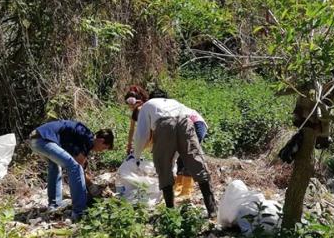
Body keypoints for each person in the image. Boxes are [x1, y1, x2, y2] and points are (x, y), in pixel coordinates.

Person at [131, 89, 217, 217]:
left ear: (150, 98)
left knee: (163, 167)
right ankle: (212, 210)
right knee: (197, 163)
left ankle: (170, 213)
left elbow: (141, 134)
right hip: (186, 122)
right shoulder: (174, 102)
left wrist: (136, 156)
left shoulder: (147, 105)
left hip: (164, 125)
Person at [124, 86, 208, 199]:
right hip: (185, 124)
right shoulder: (158, 108)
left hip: (195, 123)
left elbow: (144, 135)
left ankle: (186, 191)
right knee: (180, 156)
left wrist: (137, 154)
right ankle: (179, 186)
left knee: (187, 155)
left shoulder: (148, 108)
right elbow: (149, 134)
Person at [28, 120, 114, 221]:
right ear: (101, 140)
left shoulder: (83, 137)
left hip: (35, 138)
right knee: (74, 168)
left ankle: (54, 206)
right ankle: (79, 212)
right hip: (44, 139)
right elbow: (79, 166)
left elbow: (78, 161)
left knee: (55, 166)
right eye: (104, 148)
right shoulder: (88, 138)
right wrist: (91, 186)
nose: (101, 151)